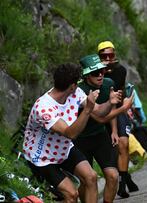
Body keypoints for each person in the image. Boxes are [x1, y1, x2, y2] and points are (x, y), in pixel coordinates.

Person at [22, 63, 116, 203]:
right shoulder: (43, 108)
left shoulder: (76, 93)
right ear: (71, 85)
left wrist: (110, 102)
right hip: (42, 157)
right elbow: (70, 133)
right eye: (77, 82)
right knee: (71, 195)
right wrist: (87, 109)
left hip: (63, 148)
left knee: (91, 177)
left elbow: (99, 111)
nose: (78, 85)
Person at [74, 54, 130, 203]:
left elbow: (109, 111)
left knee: (112, 176)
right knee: (86, 181)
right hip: (80, 140)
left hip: (100, 135)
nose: (100, 75)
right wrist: (123, 107)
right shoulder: (79, 91)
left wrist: (114, 131)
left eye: (102, 71)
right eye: (95, 73)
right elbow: (100, 116)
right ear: (86, 76)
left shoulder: (108, 84)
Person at [97, 41, 139, 198]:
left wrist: (114, 128)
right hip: (100, 110)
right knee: (112, 148)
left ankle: (122, 183)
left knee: (123, 143)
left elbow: (117, 97)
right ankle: (125, 177)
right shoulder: (95, 72)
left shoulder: (120, 70)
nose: (108, 58)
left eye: (111, 55)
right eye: (104, 56)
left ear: (115, 55)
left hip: (118, 107)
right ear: (99, 57)